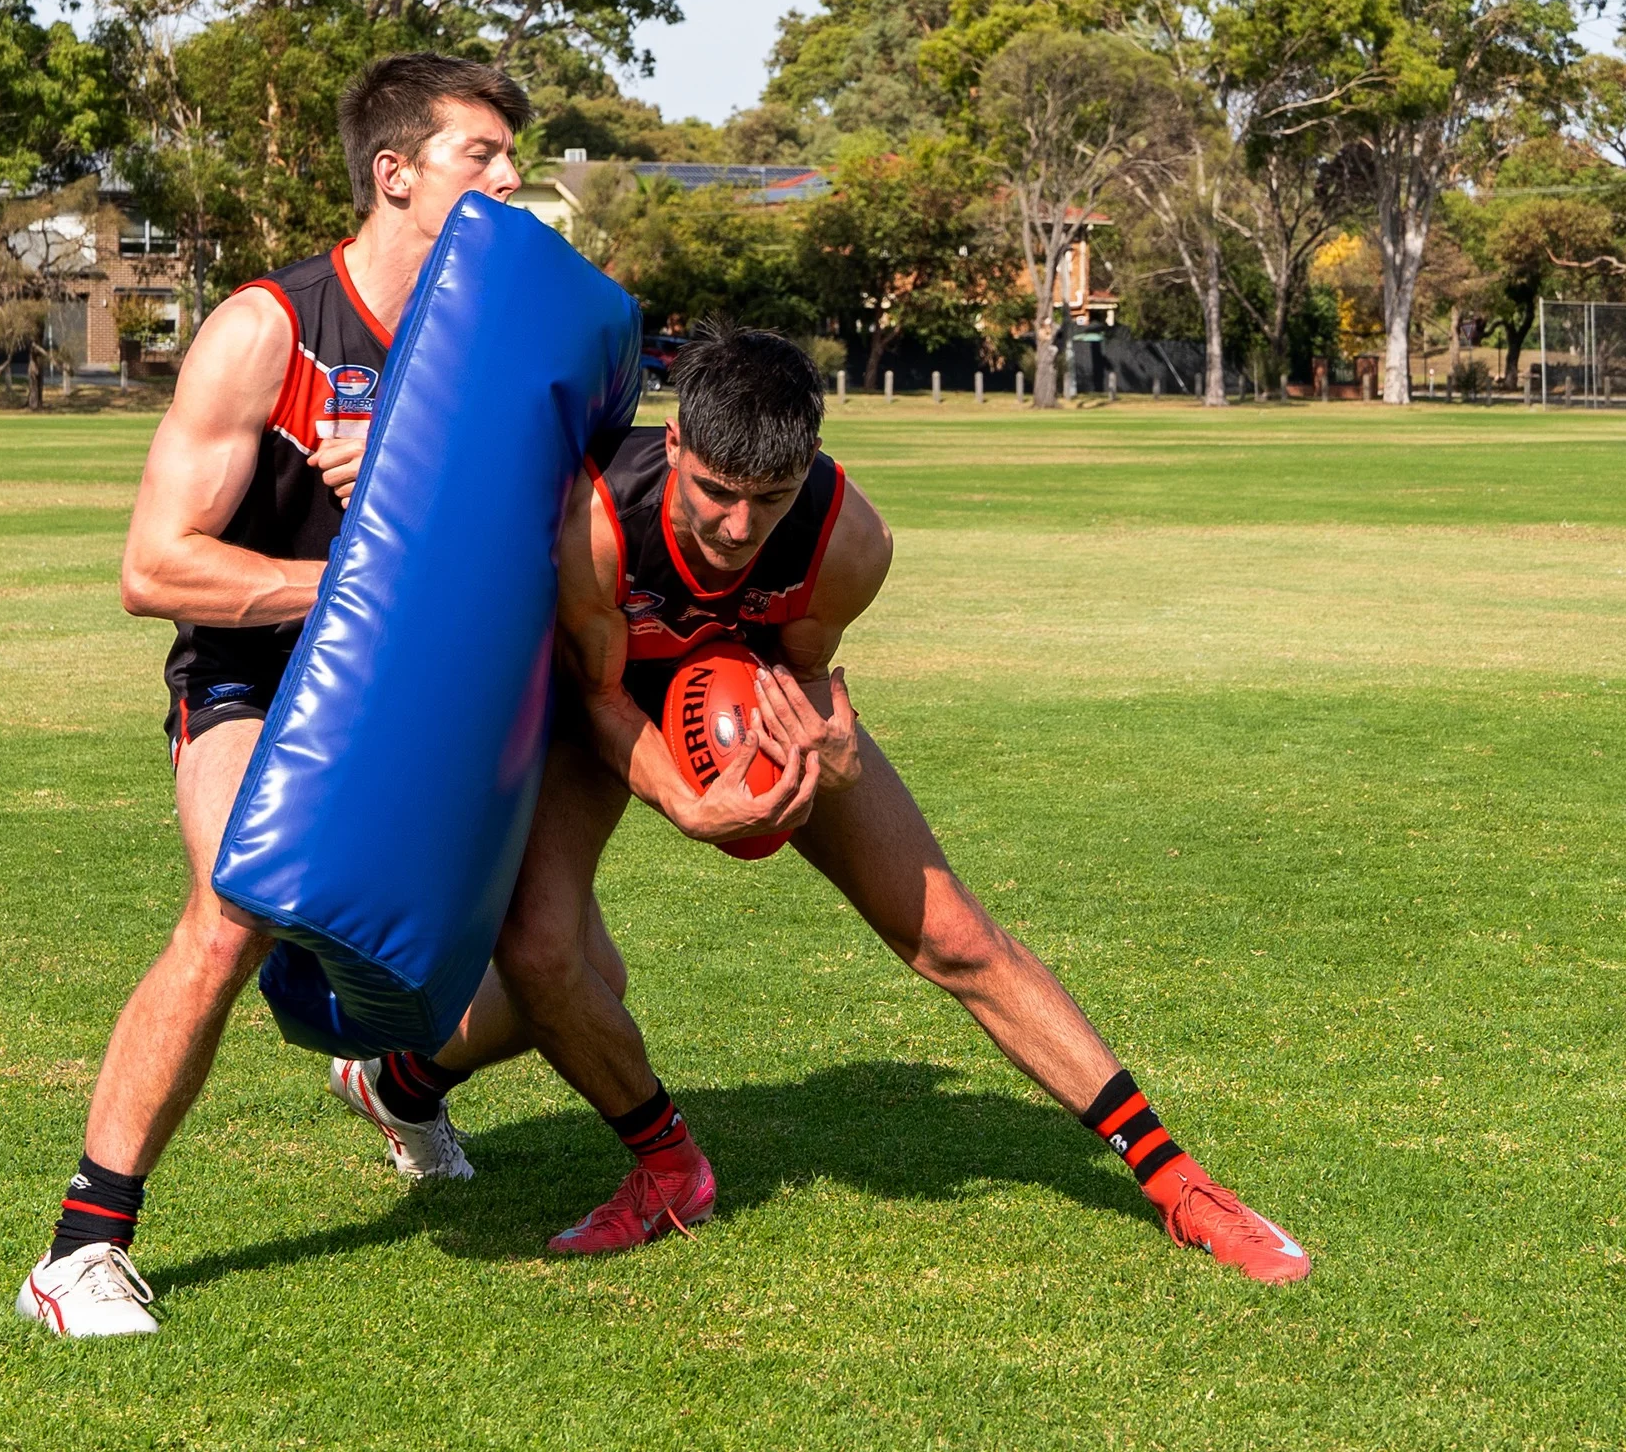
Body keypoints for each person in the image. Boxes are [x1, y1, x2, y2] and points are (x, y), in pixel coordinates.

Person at [345, 325, 1311, 1284]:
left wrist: (826, 755)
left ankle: (1179, 1182)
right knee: (544, 954)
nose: (736, 527)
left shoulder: (852, 540)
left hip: (748, 691)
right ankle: (670, 1171)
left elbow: (803, 671)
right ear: (675, 445)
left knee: (957, 936)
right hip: (597, 710)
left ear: (806, 469)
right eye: (716, 492)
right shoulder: (596, 522)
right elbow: (596, 696)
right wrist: (686, 802)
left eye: (768, 500)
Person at [16, 51, 628, 1337]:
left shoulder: (504, 354)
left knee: (549, 965)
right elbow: (152, 567)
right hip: (255, 678)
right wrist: (366, 571)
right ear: (395, 173)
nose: (513, 177)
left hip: (441, 691)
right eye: (482, 154)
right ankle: (83, 1243)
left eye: (513, 153)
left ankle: (397, 1084)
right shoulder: (271, 328)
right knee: (238, 896)